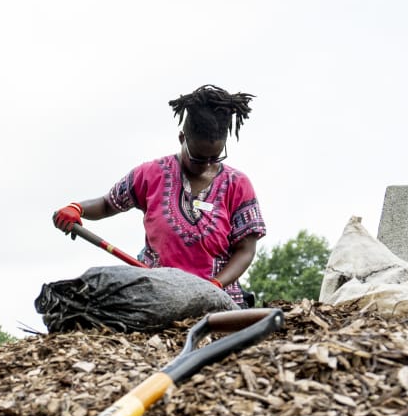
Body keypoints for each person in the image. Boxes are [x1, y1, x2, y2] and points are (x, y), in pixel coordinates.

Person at [52, 85, 265, 306]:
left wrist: (214, 286)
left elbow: (245, 251)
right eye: (199, 158)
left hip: (219, 301)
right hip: (158, 299)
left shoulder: (237, 185)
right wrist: (77, 208)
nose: (207, 165)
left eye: (215, 157)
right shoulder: (151, 174)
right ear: (182, 138)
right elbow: (107, 204)